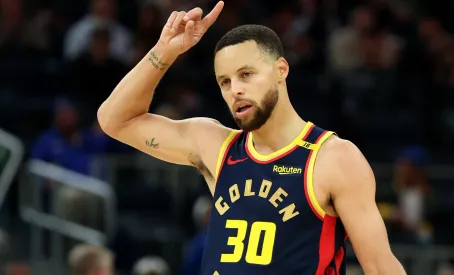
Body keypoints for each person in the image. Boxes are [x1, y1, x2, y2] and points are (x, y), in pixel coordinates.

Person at [97, 2, 406, 274]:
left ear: (280, 70)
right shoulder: (215, 145)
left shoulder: (333, 157)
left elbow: (380, 265)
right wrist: (166, 50)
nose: (235, 90)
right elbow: (114, 120)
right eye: (225, 81)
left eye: (246, 74)